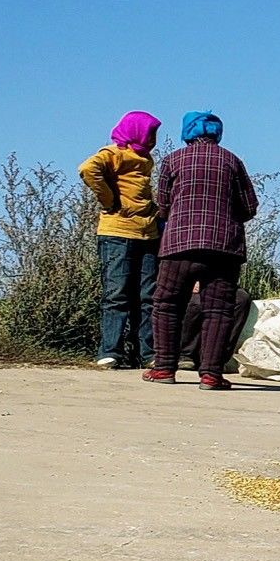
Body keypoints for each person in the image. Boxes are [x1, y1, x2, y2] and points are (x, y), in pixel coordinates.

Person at [145, 111, 257, 391]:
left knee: (166, 304)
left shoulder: (172, 160)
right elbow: (249, 206)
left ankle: (164, 369)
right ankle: (211, 375)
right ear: (217, 133)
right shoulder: (232, 161)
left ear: (188, 133)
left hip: (178, 245)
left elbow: (163, 204)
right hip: (224, 248)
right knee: (218, 310)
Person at [79, 111, 161, 368]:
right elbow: (87, 169)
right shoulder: (113, 153)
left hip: (148, 233)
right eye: (150, 133)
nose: (152, 139)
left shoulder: (145, 159)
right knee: (117, 294)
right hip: (117, 233)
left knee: (148, 296)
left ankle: (146, 354)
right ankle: (110, 351)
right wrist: (109, 199)